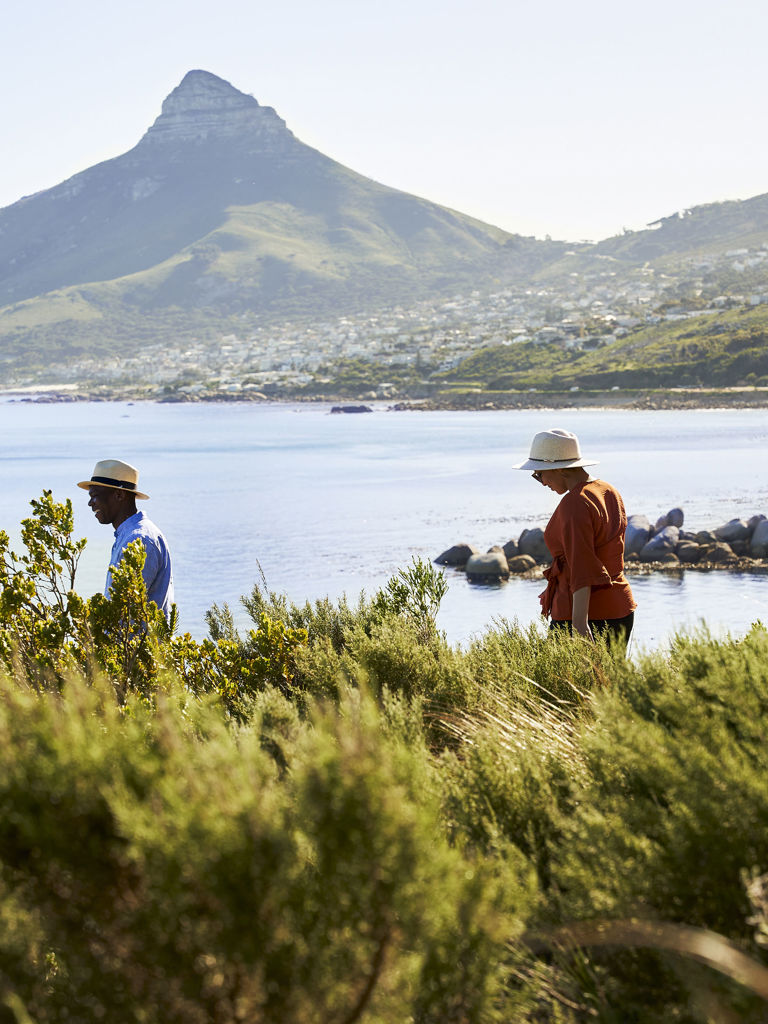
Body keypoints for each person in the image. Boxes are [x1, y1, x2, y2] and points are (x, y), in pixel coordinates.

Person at [513, 428, 636, 647]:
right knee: (611, 680)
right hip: (620, 607)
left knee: (561, 681)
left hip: (586, 615)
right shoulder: (608, 491)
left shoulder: (575, 503)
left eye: (539, 473)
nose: (541, 482)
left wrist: (579, 625)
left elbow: (583, 566)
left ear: (560, 468)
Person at [78, 459, 174, 621]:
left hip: (137, 646)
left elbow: (125, 615)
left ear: (119, 495)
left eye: (95, 496)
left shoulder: (138, 540)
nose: (90, 503)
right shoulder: (130, 535)